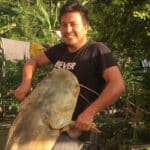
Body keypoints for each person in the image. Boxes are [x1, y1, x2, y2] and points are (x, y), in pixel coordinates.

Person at [15, 1, 125, 149]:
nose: (68, 30)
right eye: (63, 24)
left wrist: (90, 112)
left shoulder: (97, 51)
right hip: (43, 123)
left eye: (73, 24)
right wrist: (26, 83)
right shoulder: (59, 50)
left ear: (86, 27)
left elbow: (117, 85)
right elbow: (32, 62)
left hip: (72, 130)